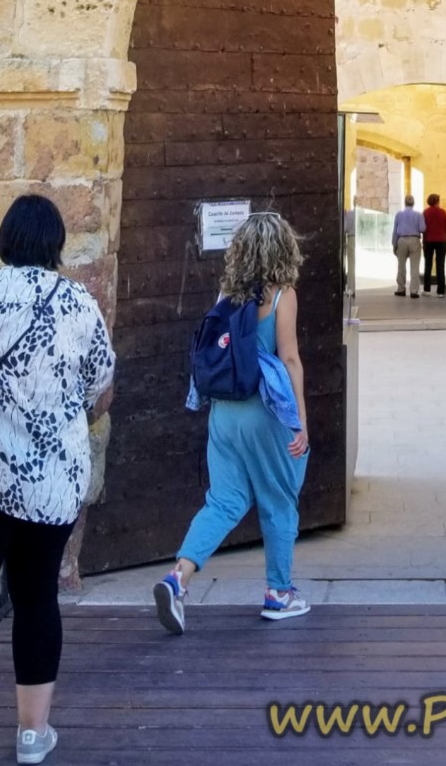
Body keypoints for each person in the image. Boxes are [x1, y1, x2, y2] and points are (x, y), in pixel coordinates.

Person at [0, 194, 115, 766]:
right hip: (52, 483)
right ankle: (33, 736)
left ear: (6, 238)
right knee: (37, 602)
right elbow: (100, 381)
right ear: (55, 243)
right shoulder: (79, 301)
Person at [153, 211, 311, 632]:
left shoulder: (227, 293)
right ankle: (279, 594)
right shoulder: (282, 295)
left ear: (241, 250)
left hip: (224, 413)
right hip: (266, 412)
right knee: (279, 501)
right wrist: (301, 422)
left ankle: (178, 578)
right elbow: (289, 358)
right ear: (283, 248)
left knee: (223, 501)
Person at [392, 192, 423, 297]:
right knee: (415, 267)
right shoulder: (418, 215)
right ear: (413, 203)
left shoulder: (399, 215)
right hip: (414, 239)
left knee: (401, 265)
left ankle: (401, 288)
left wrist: (394, 244)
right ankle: (414, 291)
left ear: (404, 203)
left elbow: (395, 231)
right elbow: (423, 228)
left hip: (401, 240)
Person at [421, 192, 446, 295]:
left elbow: (423, 228)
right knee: (440, 265)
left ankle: (427, 289)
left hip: (428, 240)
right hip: (441, 241)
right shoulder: (443, 212)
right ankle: (441, 291)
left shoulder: (425, 212)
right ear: (437, 201)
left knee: (428, 265)